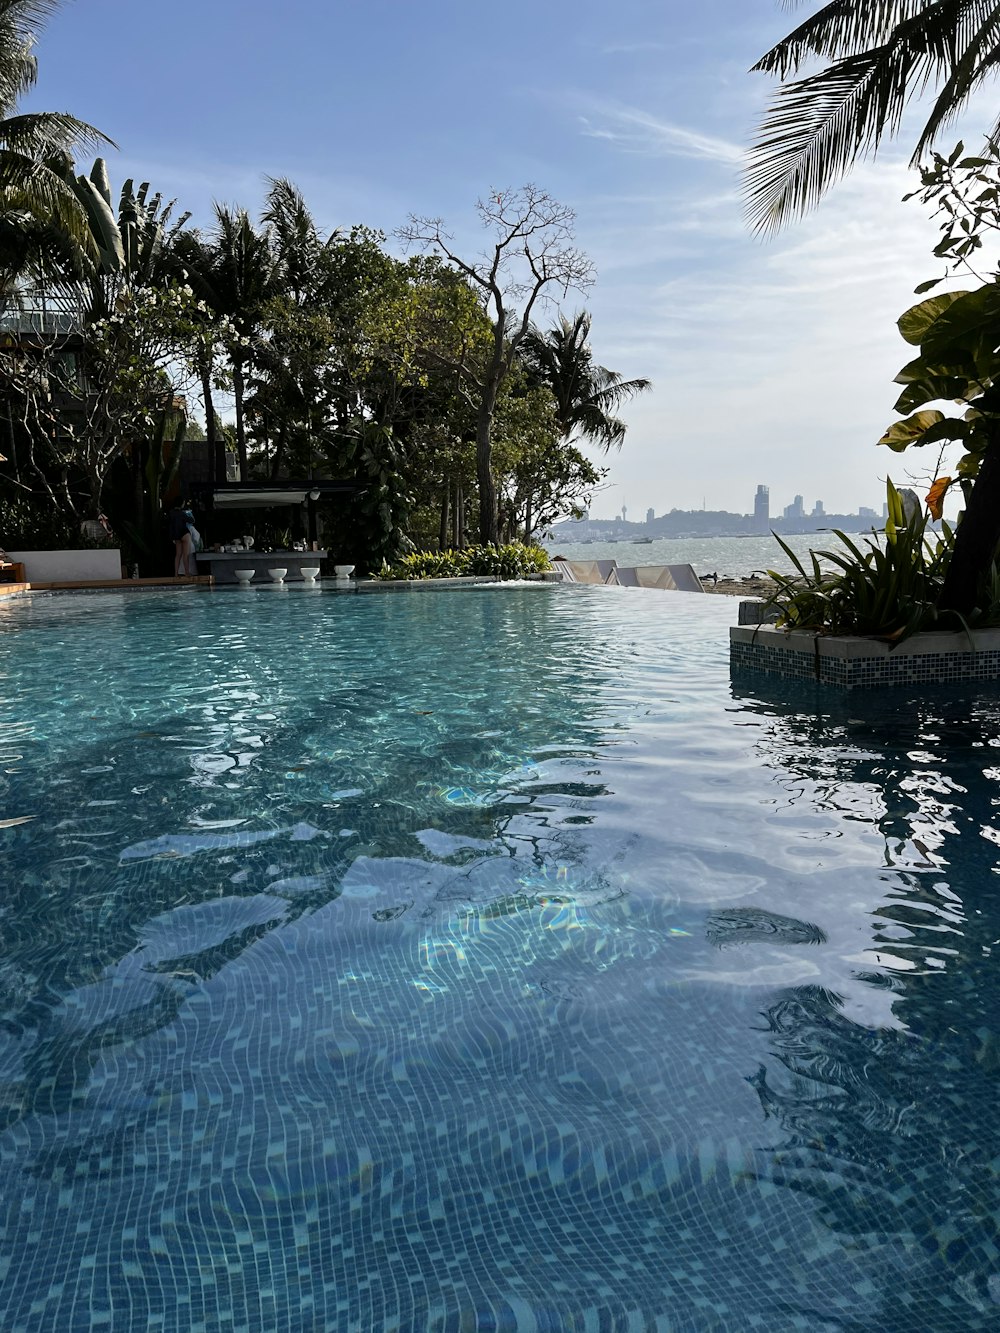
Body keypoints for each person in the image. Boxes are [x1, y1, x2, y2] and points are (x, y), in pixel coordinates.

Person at [168, 500, 197, 576]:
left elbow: (170, 525)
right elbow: (192, 520)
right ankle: (187, 573)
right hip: (184, 534)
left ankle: (176, 573)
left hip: (176, 535)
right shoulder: (182, 513)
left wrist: (172, 537)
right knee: (185, 555)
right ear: (181, 504)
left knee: (178, 555)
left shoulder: (171, 513)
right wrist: (190, 514)